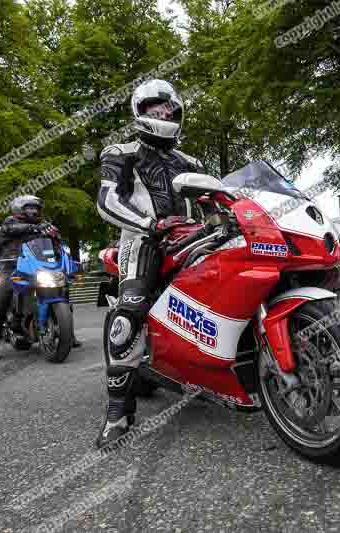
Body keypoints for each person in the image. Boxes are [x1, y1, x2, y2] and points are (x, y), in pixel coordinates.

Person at [95, 79, 208, 447]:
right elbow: (106, 201)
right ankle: (117, 411)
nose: (163, 114)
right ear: (140, 112)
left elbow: (220, 199)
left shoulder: (191, 162)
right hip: (143, 239)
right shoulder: (121, 152)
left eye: (169, 109)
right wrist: (150, 224)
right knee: (129, 314)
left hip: (192, 239)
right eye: (155, 109)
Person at [0, 195, 82, 361]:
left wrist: (63, 256)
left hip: (40, 266)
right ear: (19, 209)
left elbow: (57, 245)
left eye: (36, 208)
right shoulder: (10, 222)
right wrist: (36, 228)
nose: (33, 211)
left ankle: (67, 334)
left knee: (62, 294)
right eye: (29, 208)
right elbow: (12, 230)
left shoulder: (45, 225)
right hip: (12, 267)